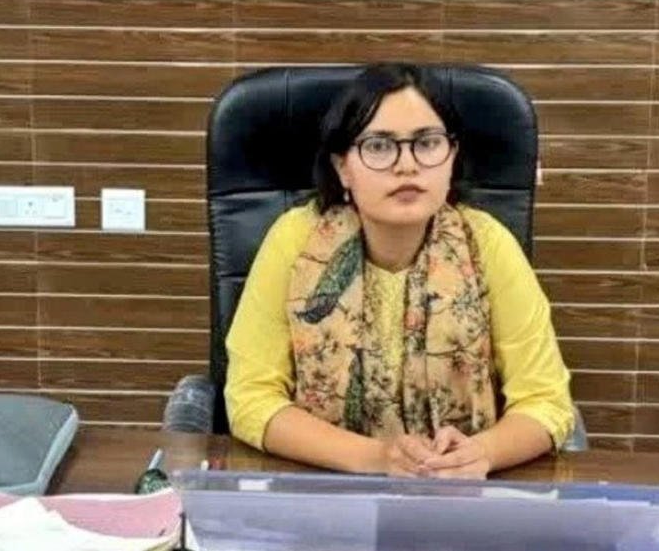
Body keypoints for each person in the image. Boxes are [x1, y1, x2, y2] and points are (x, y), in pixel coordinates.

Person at [225, 63, 574, 480]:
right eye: (379, 146)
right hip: (323, 489)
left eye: (427, 143)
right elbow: (251, 398)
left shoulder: (487, 244)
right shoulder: (295, 241)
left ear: (451, 157)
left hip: (459, 496)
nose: (407, 165)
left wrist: (481, 454)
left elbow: (546, 401)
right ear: (342, 167)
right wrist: (377, 458)